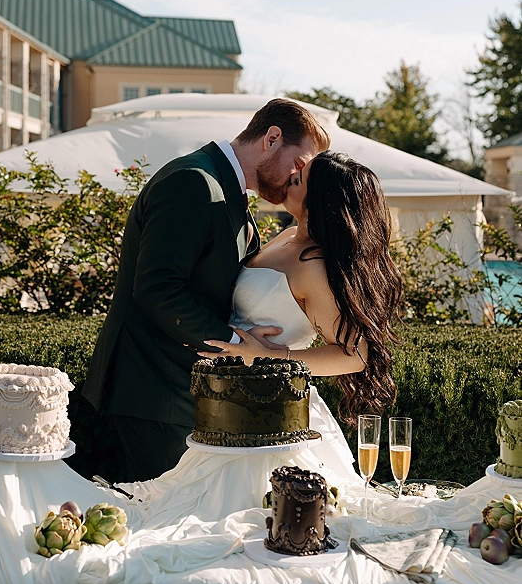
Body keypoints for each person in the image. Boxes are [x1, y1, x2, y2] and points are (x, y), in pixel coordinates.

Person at [82, 98, 331, 481]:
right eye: (298, 165)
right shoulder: (194, 182)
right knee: (163, 523)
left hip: (184, 390)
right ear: (273, 138)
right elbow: (157, 288)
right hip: (154, 390)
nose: (296, 179)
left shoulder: (227, 190)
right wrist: (237, 342)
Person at [199, 150, 404, 435]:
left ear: (321, 200)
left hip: (269, 406)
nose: (290, 177)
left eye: (300, 179)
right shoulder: (286, 237)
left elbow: (354, 355)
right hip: (224, 397)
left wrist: (273, 356)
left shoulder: (314, 267)